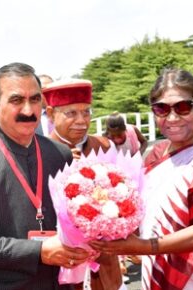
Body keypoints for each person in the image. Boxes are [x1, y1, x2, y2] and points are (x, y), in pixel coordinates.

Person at [0, 62, 91, 290]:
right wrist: (39, 250)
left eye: (35, 100)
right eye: (17, 100)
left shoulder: (60, 155)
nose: (28, 110)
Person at [90, 68, 193, 289]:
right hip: (153, 268)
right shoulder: (157, 154)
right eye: (161, 109)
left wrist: (145, 246)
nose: (172, 118)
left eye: (183, 107)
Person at [43, 79, 123, 290]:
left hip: (105, 264)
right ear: (50, 114)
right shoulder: (39, 153)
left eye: (86, 112)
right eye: (71, 113)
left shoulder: (104, 146)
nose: (82, 121)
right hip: (62, 265)